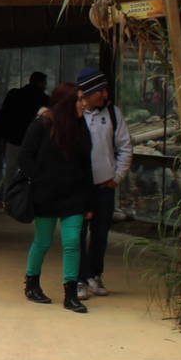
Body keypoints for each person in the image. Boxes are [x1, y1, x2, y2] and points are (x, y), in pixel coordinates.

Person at [17, 81, 95, 312]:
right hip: (46, 195)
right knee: (43, 241)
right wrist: (39, 180)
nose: (84, 104)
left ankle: (71, 293)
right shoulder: (42, 125)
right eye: (79, 100)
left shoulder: (81, 127)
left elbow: (87, 165)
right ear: (66, 104)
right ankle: (32, 283)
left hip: (74, 196)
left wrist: (89, 200)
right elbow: (25, 158)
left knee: (72, 242)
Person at [77, 66, 132, 298]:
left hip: (104, 187)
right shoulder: (76, 114)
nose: (105, 94)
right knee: (77, 233)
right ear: (89, 93)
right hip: (79, 188)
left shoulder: (113, 113)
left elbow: (125, 147)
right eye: (100, 91)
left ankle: (95, 275)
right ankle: (78, 279)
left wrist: (117, 177)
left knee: (100, 233)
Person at [0, 71, 49, 202]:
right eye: (44, 83)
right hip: (29, 139)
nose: (45, 85)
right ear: (40, 83)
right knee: (28, 171)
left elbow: (3, 113)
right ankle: (21, 199)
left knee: (10, 170)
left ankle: (7, 199)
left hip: (12, 138)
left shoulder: (14, 94)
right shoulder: (40, 96)